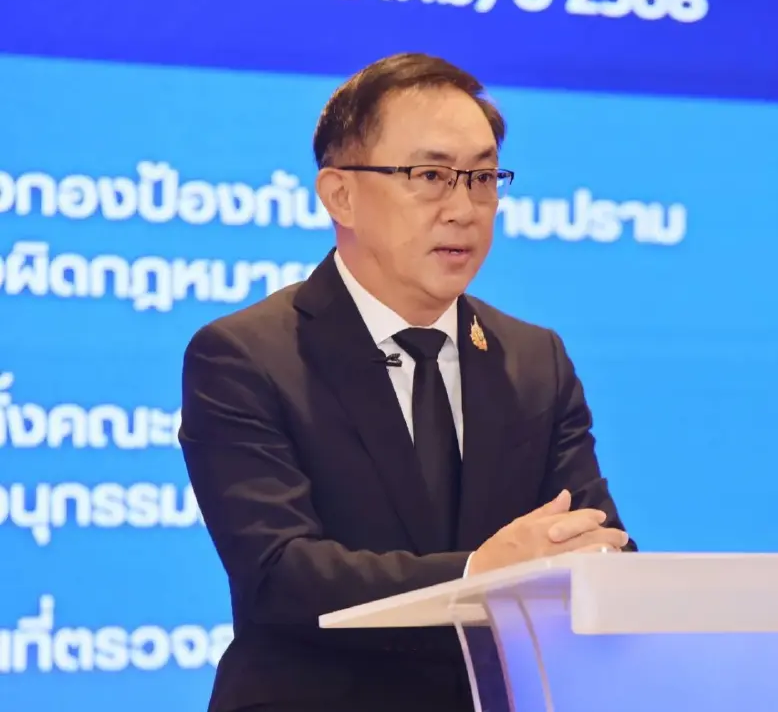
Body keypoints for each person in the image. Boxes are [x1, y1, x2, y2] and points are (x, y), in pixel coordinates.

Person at [179, 51, 635, 712]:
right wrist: (480, 574)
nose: (464, 208)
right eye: (431, 176)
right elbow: (280, 574)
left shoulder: (534, 360)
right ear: (340, 194)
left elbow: (599, 542)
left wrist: (601, 568)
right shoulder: (247, 356)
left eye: (483, 178)